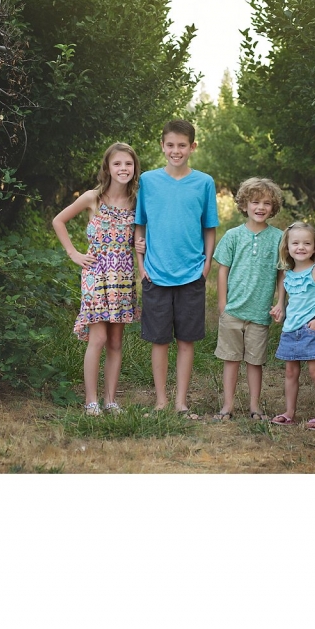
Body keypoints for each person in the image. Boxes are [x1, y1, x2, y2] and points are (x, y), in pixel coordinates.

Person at [134, 119, 219, 417]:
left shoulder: (204, 183)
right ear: (162, 146)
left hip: (191, 273)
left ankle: (181, 402)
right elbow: (140, 224)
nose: (176, 150)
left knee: (186, 340)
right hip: (155, 273)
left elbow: (209, 227)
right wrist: (141, 264)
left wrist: (207, 264)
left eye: (182, 145)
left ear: (192, 147)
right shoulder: (148, 180)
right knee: (159, 340)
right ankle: (161, 401)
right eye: (170, 145)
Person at [52, 142, 143, 415]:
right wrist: (73, 253)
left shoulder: (137, 201)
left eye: (128, 164)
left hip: (123, 274)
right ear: (108, 168)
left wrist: (142, 245)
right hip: (95, 273)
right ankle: (91, 400)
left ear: (135, 168)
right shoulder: (93, 197)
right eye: (117, 164)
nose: (123, 168)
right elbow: (59, 220)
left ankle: (110, 400)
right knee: (98, 338)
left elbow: (142, 235)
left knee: (116, 340)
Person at [212, 177, 285, 421]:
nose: (260, 207)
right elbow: (222, 270)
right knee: (231, 360)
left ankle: (255, 407)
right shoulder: (233, 236)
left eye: (266, 203)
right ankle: (228, 406)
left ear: (273, 208)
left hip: (260, 312)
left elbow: (281, 273)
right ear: (244, 205)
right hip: (233, 310)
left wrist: (280, 303)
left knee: (255, 362)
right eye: (255, 202)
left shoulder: (278, 238)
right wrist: (222, 304)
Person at [270, 221, 315, 429]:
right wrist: (279, 307)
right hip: (290, 329)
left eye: (307, 243)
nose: (301, 247)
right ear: (287, 247)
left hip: (309, 329)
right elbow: (282, 296)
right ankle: (290, 413)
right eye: (296, 243)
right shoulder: (286, 272)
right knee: (290, 373)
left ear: (314, 247)